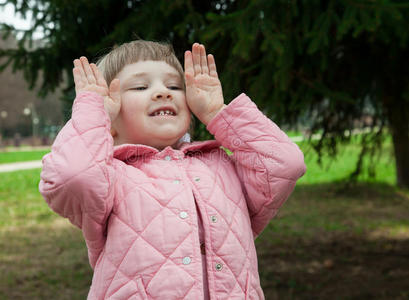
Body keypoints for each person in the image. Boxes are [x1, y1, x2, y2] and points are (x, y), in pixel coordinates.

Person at [39, 40, 306, 300]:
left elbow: (285, 164)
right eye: (141, 86)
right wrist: (92, 112)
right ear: (110, 116)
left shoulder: (221, 165)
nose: (162, 92)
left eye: (174, 86)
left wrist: (216, 112)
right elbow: (72, 177)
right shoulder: (111, 176)